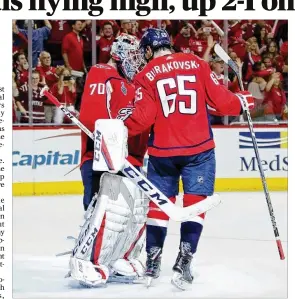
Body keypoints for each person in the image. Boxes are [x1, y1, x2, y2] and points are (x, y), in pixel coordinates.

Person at [123, 28, 254, 289]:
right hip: (199, 150)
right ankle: (184, 260)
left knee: (158, 206)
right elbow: (220, 102)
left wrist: (121, 120)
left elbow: (142, 120)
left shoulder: (144, 75)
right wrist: (241, 102)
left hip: (163, 151)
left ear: (149, 50)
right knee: (196, 204)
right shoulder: (197, 64)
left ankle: (153, 260)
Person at [68, 34, 149, 287]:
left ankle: (114, 257)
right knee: (104, 212)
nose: (137, 62)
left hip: (128, 161)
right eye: (132, 56)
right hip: (100, 159)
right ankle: (84, 260)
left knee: (132, 213)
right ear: (118, 54)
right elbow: (94, 116)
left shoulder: (134, 83)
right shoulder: (101, 72)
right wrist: (108, 146)